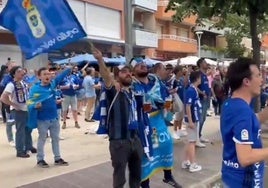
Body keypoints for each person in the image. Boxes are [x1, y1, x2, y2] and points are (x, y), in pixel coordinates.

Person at [93, 49, 143, 188]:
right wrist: (100, 59)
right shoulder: (113, 90)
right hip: (119, 141)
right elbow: (105, 77)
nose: (128, 74)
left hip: (135, 139)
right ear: (117, 76)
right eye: (123, 72)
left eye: (129, 72)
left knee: (136, 175)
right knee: (120, 178)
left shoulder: (132, 90)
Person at [131, 59, 182, 188]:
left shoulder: (156, 82)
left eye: (143, 64)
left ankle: (168, 177)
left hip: (158, 119)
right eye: (138, 65)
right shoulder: (132, 85)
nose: (143, 66)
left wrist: (169, 101)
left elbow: (166, 97)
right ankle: (145, 185)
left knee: (167, 143)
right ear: (133, 71)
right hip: (143, 123)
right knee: (146, 154)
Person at [221, 57, 268, 187]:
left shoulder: (231, 104)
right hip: (243, 182)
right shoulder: (242, 111)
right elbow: (245, 157)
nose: (262, 80)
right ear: (246, 81)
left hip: (231, 178)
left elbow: (252, 122)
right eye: (258, 75)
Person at [27, 67, 71, 168]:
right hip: (42, 119)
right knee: (42, 139)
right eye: (45, 74)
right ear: (39, 77)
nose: (48, 76)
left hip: (54, 118)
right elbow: (29, 102)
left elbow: (60, 77)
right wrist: (34, 106)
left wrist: (68, 69)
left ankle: (57, 158)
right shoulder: (35, 89)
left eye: (48, 74)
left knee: (55, 139)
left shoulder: (52, 85)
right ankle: (40, 160)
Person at [1, 66, 36, 158]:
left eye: (22, 71)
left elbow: (27, 96)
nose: (22, 72)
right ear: (14, 74)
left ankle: (28, 146)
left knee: (28, 128)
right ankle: (20, 150)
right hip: (18, 110)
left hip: (26, 108)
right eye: (19, 71)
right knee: (20, 130)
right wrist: (13, 104)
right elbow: (3, 98)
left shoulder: (23, 83)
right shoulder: (11, 84)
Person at [181, 71, 202, 172]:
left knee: (189, 141)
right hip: (192, 119)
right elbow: (188, 106)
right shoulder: (191, 90)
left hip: (193, 118)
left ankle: (186, 161)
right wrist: (190, 121)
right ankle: (193, 164)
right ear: (197, 78)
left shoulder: (193, 89)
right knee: (192, 142)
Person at [196, 58, 210, 147]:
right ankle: (196, 139)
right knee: (200, 119)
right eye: (205, 62)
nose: (206, 64)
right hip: (201, 99)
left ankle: (199, 135)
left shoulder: (205, 75)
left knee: (203, 119)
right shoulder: (199, 74)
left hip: (206, 99)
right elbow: (194, 86)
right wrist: (202, 93)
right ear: (200, 64)